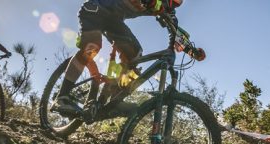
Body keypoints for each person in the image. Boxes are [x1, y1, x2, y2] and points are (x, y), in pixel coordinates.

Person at [52, 0, 190, 115]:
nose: (173, 4)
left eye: (177, 2)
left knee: (134, 54)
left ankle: (113, 99)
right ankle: (61, 97)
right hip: (96, 9)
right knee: (92, 46)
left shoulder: (167, 7)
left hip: (114, 21)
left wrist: (190, 49)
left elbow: (174, 27)